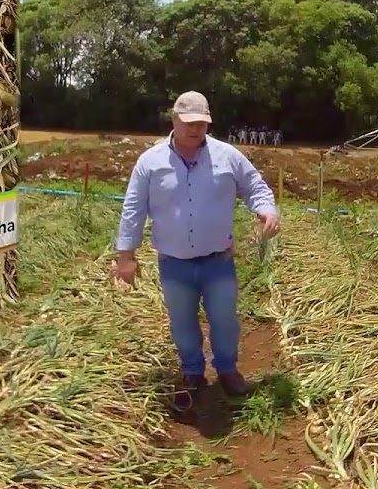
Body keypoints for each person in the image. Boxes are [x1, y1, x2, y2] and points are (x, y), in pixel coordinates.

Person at [112, 91, 280, 409]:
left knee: (224, 319)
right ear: (174, 120)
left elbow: (256, 188)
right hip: (174, 263)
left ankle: (228, 371)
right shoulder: (150, 162)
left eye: (202, 123)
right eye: (189, 123)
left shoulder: (228, 156)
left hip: (218, 261)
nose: (195, 129)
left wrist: (267, 211)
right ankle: (192, 372)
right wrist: (125, 257)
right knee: (182, 321)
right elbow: (133, 209)